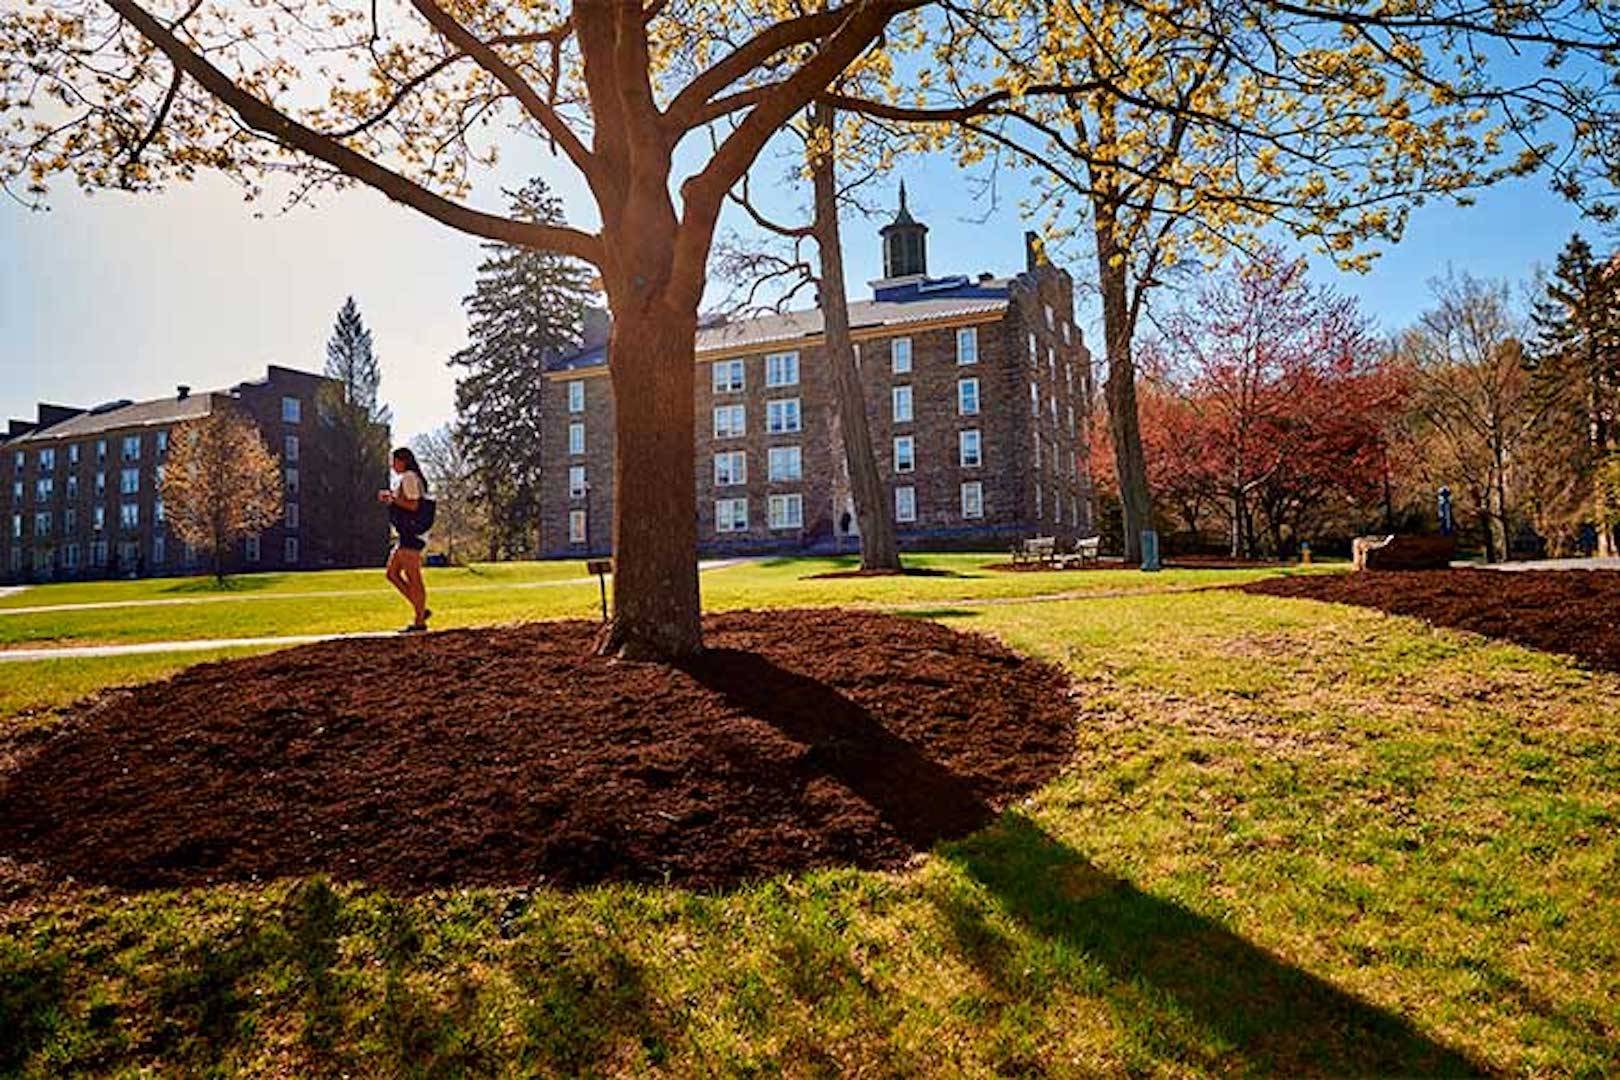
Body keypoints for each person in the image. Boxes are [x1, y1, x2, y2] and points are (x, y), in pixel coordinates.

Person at [379, 447, 432, 633]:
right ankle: (420, 609)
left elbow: (413, 504)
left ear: (403, 461)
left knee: (413, 576)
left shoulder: (409, 477)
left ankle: (419, 621)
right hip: (407, 534)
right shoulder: (409, 478)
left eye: (394, 461)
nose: (392, 466)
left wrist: (392, 498)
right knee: (392, 573)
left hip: (413, 534)